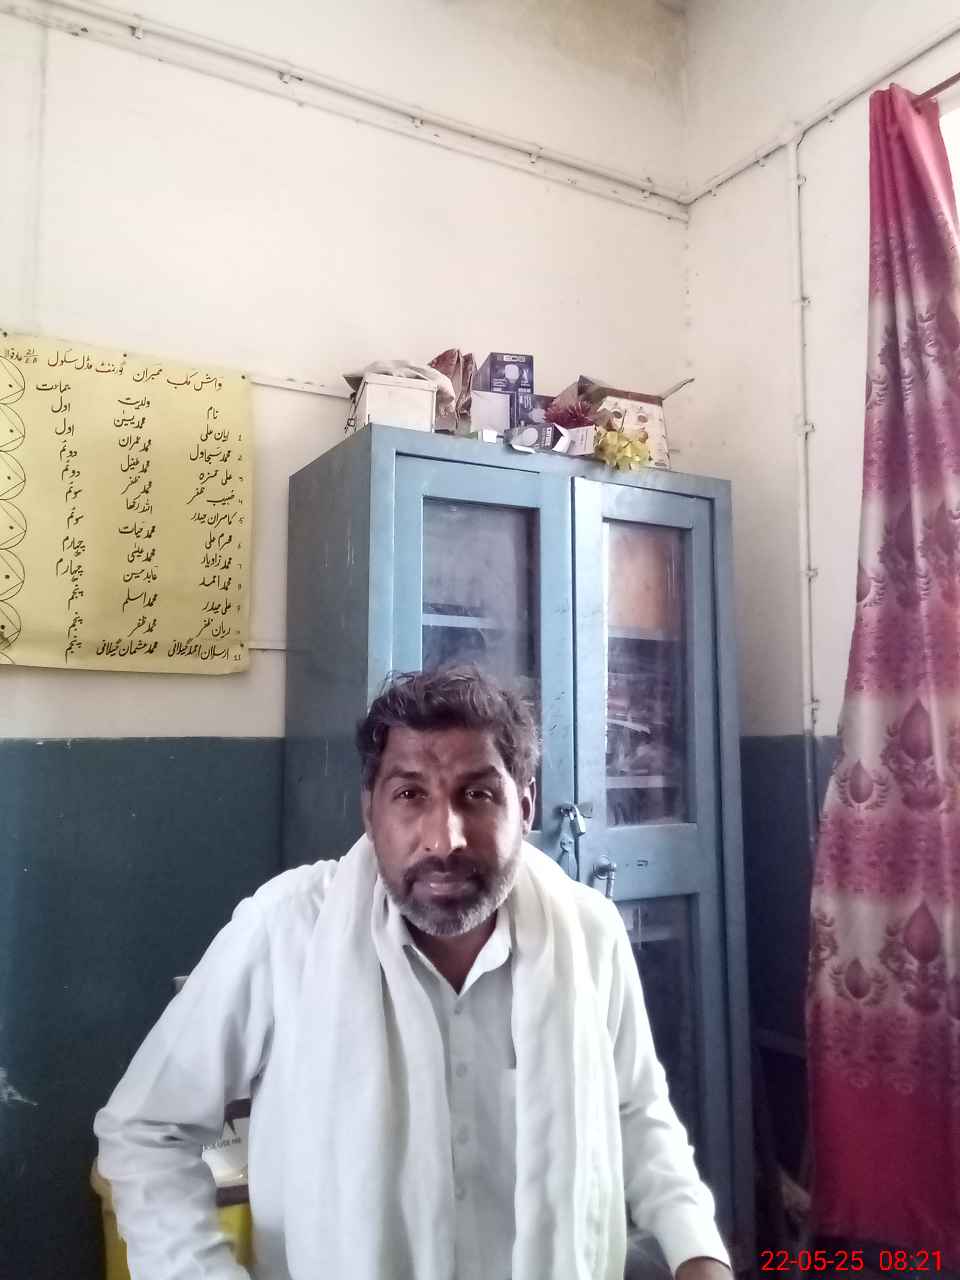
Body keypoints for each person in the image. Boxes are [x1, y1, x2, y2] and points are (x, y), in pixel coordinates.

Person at [96, 668, 732, 1280]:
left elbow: (635, 1109)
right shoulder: (286, 931)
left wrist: (697, 1250)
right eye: (410, 795)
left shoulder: (589, 933)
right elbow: (147, 1130)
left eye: (477, 795)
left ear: (525, 806)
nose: (444, 838)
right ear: (369, 812)